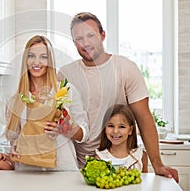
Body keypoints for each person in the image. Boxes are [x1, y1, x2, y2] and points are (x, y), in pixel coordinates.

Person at [58, 12, 178, 181]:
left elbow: (143, 118)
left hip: (119, 166)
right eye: (79, 38)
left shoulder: (125, 68)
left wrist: (157, 163)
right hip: (75, 167)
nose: (85, 43)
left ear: (102, 35)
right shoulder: (65, 74)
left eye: (91, 35)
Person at [5, 35, 89, 171]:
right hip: (28, 173)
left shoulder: (66, 91)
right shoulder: (15, 100)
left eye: (43, 57)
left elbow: (83, 135)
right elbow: (13, 137)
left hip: (62, 171)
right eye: (31, 56)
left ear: (50, 61)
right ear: (25, 60)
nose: (36, 62)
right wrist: (15, 144)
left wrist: (65, 129)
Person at [95, 104, 148, 173]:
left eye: (121, 127)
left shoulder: (140, 156)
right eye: (111, 126)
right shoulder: (99, 158)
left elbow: (145, 182)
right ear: (105, 128)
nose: (115, 131)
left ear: (130, 130)